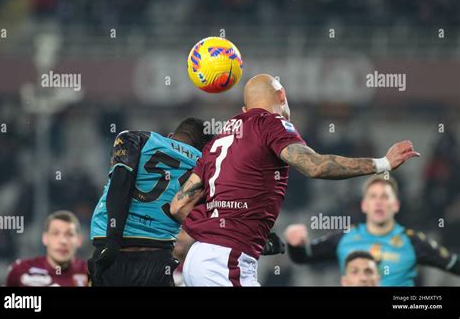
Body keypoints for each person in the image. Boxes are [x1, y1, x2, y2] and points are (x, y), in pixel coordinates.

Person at [170, 73, 419, 286]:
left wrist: (221, 225)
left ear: (245, 110)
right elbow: (315, 166)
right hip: (226, 260)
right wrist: (382, 164)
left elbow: (178, 206)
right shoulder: (271, 122)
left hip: (196, 260)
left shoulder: (218, 140)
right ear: (282, 96)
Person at [88, 117, 213, 286]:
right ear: (204, 149)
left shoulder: (133, 138)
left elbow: (120, 185)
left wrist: (112, 241)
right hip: (158, 257)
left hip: (113, 250)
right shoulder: (204, 165)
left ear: (169, 136)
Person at [285, 175, 460, 286]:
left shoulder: (413, 242)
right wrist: (294, 244)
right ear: (364, 205)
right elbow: (303, 257)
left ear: (396, 205)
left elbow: (453, 264)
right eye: (373, 196)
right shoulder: (345, 238)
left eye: (385, 197)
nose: (378, 202)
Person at [6, 211, 87, 287]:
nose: (63, 241)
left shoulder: (93, 273)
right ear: (45, 238)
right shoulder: (20, 271)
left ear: (79, 240)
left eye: (69, 234)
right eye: (55, 233)